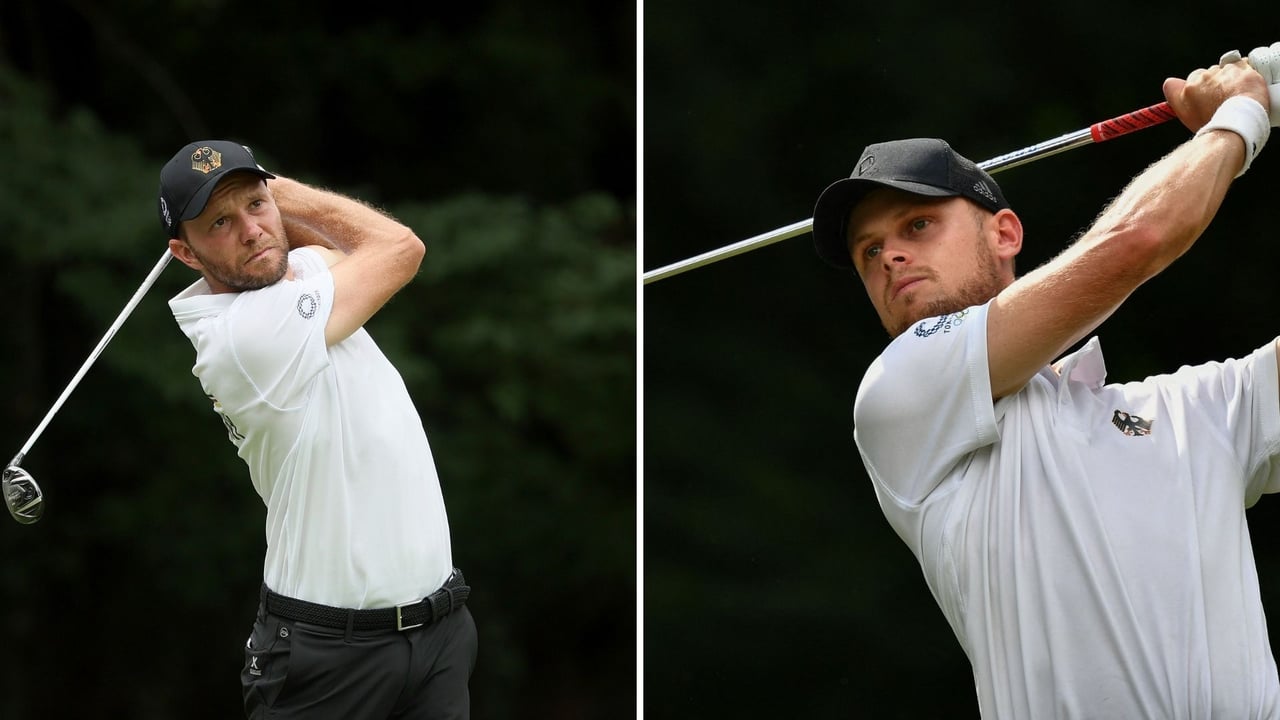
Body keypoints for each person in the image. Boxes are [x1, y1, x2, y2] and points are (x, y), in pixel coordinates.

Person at [810, 46, 1279, 717]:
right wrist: (1239, 118)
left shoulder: (1191, 412)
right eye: (869, 251)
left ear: (1004, 232)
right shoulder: (898, 393)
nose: (890, 256)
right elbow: (1135, 242)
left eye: (917, 224)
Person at [158, 140, 477, 719]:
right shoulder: (241, 341)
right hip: (328, 658)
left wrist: (266, 213)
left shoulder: (288, 280)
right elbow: (398, 248)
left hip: (439, 634)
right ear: (185, 253)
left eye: (255, 206)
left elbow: (336, 253)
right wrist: (286, 195)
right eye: (221, 223)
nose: (252, 231)